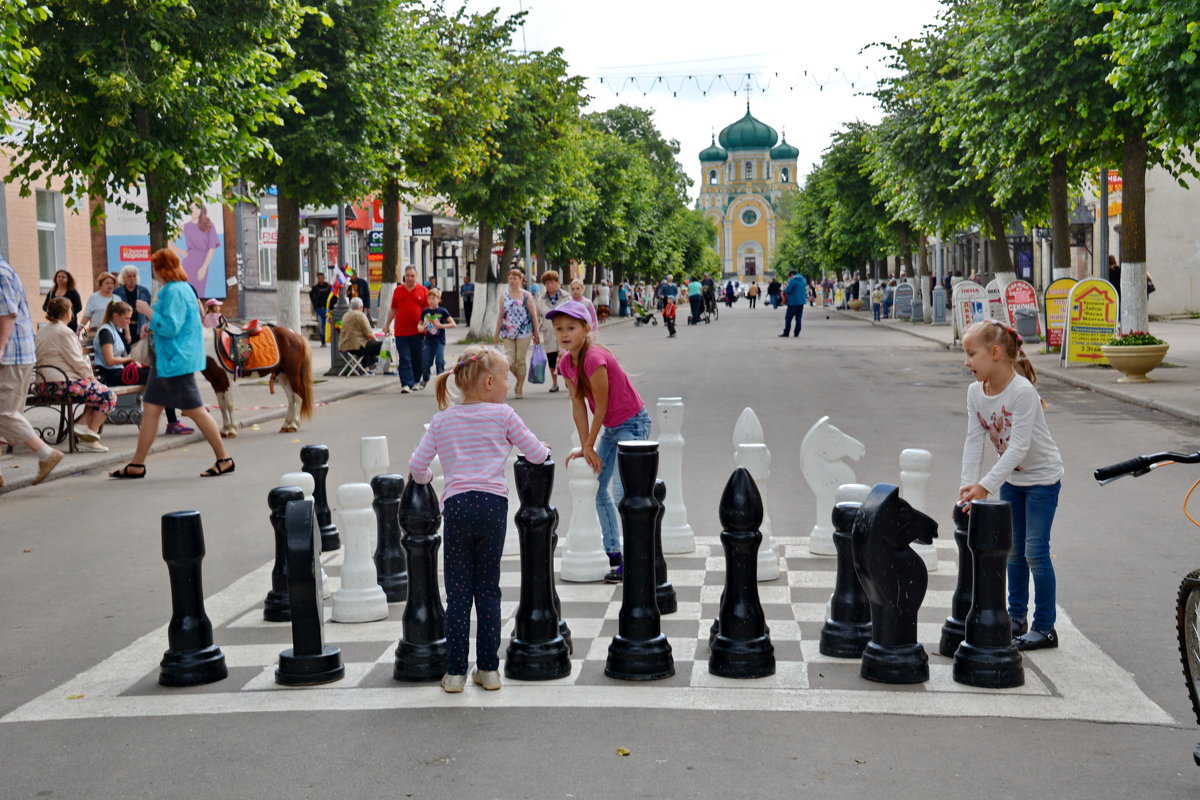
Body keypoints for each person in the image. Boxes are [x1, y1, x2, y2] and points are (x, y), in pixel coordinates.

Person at [408, 345, 550, 693]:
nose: (509, 383)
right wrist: (546, 450)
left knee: (458, 594)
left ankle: (455, 672)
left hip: (455, 507)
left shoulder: (442, 420)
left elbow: (417, 466)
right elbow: (535, 453)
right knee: (488, 590)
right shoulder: (504, 416)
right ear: (488, 382)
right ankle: (488, 670)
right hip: (492, 507)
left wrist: (427, 484)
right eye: (505, 377)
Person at [959, 320, 1064, 651]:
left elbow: (1018, 446)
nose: (966, 362)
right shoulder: (976, 392)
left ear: (995, 353)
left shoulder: (1022, 392)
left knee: (1035, 551)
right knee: (1013, 553)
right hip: (1013, 480)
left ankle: (1045, 627)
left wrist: (986, 486)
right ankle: (1015, 619)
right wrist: (968, 488)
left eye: (971, 353)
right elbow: (974, 441)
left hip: (1042, 480)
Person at [548, 300, 651, 583]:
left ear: (586, 329)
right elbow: (578, 404)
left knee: (622, 493)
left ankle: (635, 556)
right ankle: (614, 553)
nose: (564, 334)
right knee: (597, 488)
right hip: (611, 429)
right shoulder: (566, 363)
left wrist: (591, 444)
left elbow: (602, 406)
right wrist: (585, 445)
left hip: (633, 423)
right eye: (559, 329)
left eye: (571, 328)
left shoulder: (594, 358)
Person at [109, 249, 233, 479]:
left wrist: (148, 313)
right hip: (169, 360)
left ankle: (224, 459)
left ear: (163, 268)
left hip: (176, 361)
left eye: (155, 267)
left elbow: (172, 327)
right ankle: (137, 464)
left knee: (194, 411)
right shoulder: (180, 288)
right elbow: (175, 323)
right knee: (152, 410)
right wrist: (151, 325)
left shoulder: (175, 291)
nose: (153, 271)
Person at [0, 255, 63, 486]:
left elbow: (7, 313)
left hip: (10, 356)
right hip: (15, 355)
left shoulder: (0, 272)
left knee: (4, 413)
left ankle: (46, 454)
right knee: (7, 412)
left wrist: (0, 347)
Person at [34, 298, 116, 453]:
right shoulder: (64, 332)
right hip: (60, 384)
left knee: (96, 391)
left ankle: (82, 424)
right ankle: (89, 438)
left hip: (43, 383)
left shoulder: (43, 330)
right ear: (67, 313)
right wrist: (91, 377)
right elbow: (77, 361)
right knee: (108, 395)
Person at [493, 268, 540, 400]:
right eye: (510, 278)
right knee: (509, 361)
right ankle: (519, 379)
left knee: (520, 360)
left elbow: (534, 315)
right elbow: (500, 315)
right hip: (507, 333)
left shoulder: (526, 295)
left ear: (521, 280)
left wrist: (536, 333)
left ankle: (519, 386)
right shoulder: (504, 295)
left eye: (515, 278)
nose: (512, 281)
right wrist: (496, 334)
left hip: (524, 333)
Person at [381, 265, 428, 394]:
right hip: (401, 331)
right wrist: (387, 325)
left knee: (417, 358)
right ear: (404, 277)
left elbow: (428, 311)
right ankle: (406, 384)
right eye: (408, 276)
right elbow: (393, 309)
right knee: (404, 358)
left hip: (418, 332)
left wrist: (428, 325)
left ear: (416, 277)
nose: (410, 278)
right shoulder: (398, 291)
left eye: (412, 276)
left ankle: (416, 381)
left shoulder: (423, 290)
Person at [171, 202, 221, 296]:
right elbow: (168, 242)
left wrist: (204, 267)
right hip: (188, 262)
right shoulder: (185, 226)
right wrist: (182, 252)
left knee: (199, 293)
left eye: (197, 208)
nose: (194, 211)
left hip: (202, 261)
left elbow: (212, 248)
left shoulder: (209, 225)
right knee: (186, 291)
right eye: (192, 208)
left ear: (201, 210)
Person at [535, 270, 569, 393]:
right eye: (547, 283)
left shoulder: (566, 297)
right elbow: (537, 315)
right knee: (551, 359)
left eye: (551, 282)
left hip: (565, 333)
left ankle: (568, 380)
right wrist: (537, 330)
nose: (549, 285)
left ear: (557, 283)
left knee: (566, 358)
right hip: (549, 333)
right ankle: (555, 383)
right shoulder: (541, 300)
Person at [419, 288, 455, 385]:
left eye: (433, 298)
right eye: (429, 298)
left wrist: (441, 326)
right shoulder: (425, 312)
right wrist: (422, 327)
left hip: (439, 341)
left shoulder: (442, 311)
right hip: (428, 341)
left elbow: (453, 324)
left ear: (438, 299)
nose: (431, 301)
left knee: (439, 362)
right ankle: (426, 378)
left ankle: (440, 383)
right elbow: (419, 325)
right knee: (425, 364)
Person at [338, 297, 382, 371]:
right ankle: (386, 368)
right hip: (356, 346)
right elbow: (369, 333)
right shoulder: (360, 315)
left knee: (369, 344)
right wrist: (377, 341)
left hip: (344, 346)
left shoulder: (345, 315)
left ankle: (366, 367)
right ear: (361, 306)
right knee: (382, 345)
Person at [113, 265, 151, 343]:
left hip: (141, 328)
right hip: (123, 328)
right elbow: (114, 310)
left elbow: (151, 308)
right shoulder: (117, 292)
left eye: (134, 276)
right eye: (129, 276)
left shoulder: (144, 291)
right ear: (124, 278)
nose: (132, 279)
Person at [80, 272, 118, 337]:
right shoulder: (93, 298)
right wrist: (79, 329)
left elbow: (123, 317)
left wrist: (127, 333)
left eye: (112, 283)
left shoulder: (117, 298)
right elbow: (86, 316)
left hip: (114, 332)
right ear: (101, 284)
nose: (110, 285)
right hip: (96, 333)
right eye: (107, 283)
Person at [780, 270, 808, 337]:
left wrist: (784, 290)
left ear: (792, 275)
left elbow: (788, 290)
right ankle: (796, 333)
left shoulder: (792, 280)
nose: (789, 278)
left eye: (789, 276)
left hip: (793, 302)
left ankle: (786, 332)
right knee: (798, 318)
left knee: (788, 318)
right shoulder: (804, 280)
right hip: (801, 302)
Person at [309, 273, 331, 348]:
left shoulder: (329, 286)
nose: (321, 279)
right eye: (319, 278)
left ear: (324, 278)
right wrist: (314, 303)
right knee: (321, 326)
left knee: (328, 326)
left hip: (327, 309)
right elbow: (311, 294)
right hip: (319, 309)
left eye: (322, 278)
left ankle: (329, 340)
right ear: (318, 279)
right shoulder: (315, 287)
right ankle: (323, 342)